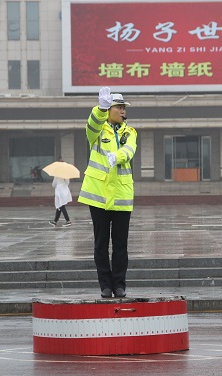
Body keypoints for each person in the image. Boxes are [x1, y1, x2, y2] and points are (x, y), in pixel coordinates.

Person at [78, 87, 137, 299]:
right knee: (101, 243)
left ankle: (119, 284)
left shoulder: (130, 132)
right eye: (119, 107)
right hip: (99, 196)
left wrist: (118, 156)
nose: (122, 111)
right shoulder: (98, 131)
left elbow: (130, 149)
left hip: (121, 196)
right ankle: (105, 285)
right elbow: (91, 125)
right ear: (109, 109)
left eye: (123, 108)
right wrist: (99, 109)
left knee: (120, 244)